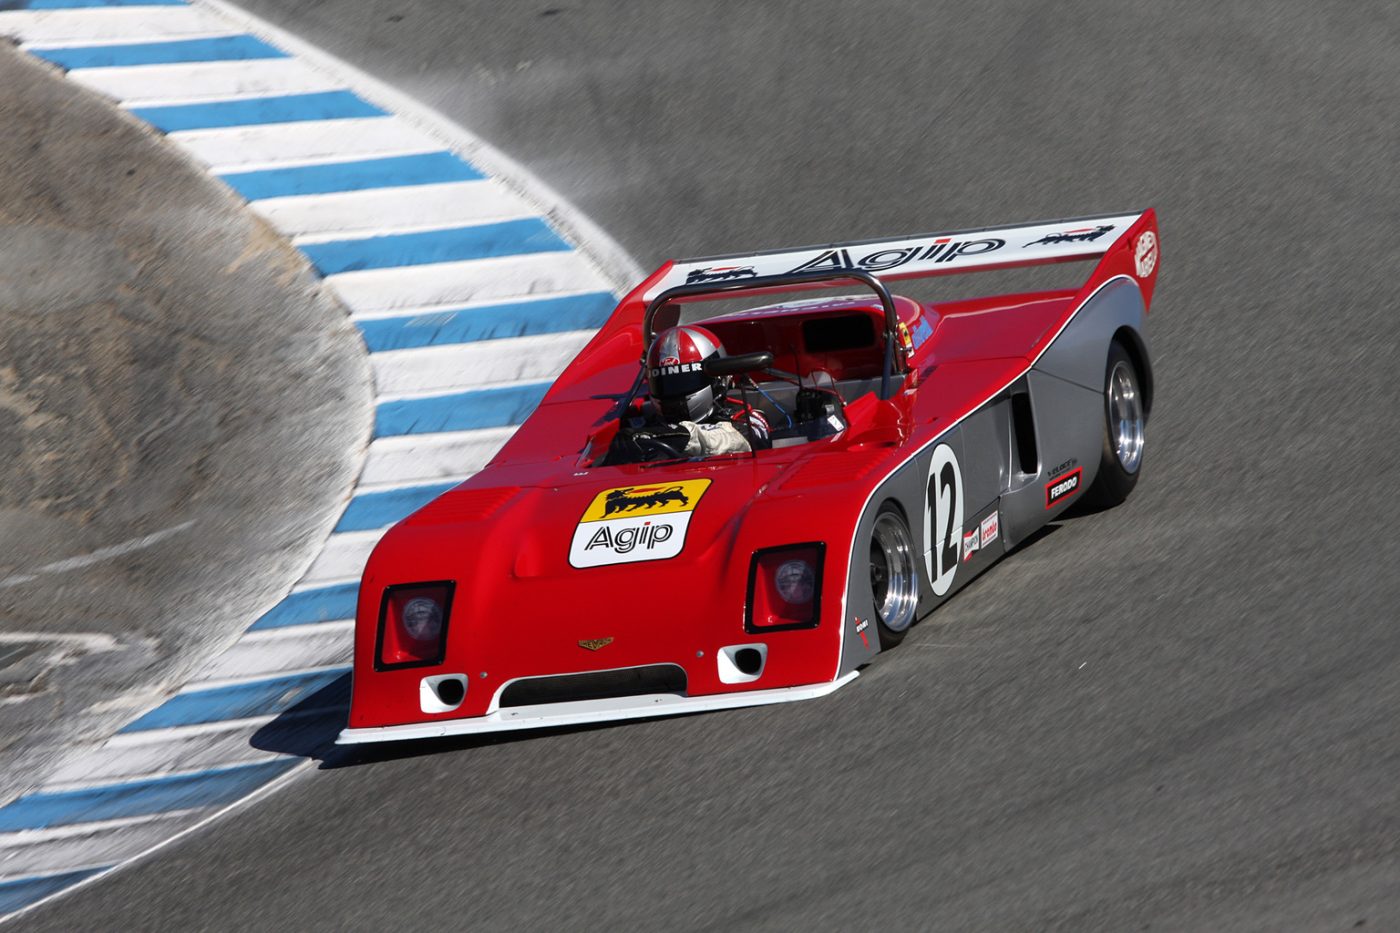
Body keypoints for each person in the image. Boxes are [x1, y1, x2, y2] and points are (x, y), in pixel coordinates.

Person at [607, 325, 771, 463]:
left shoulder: (749, 420)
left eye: (684, 381)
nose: (674, 392)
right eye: (666, 384)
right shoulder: (643, 426)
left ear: (718, 380)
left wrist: (677, 437)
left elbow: (733, 440)